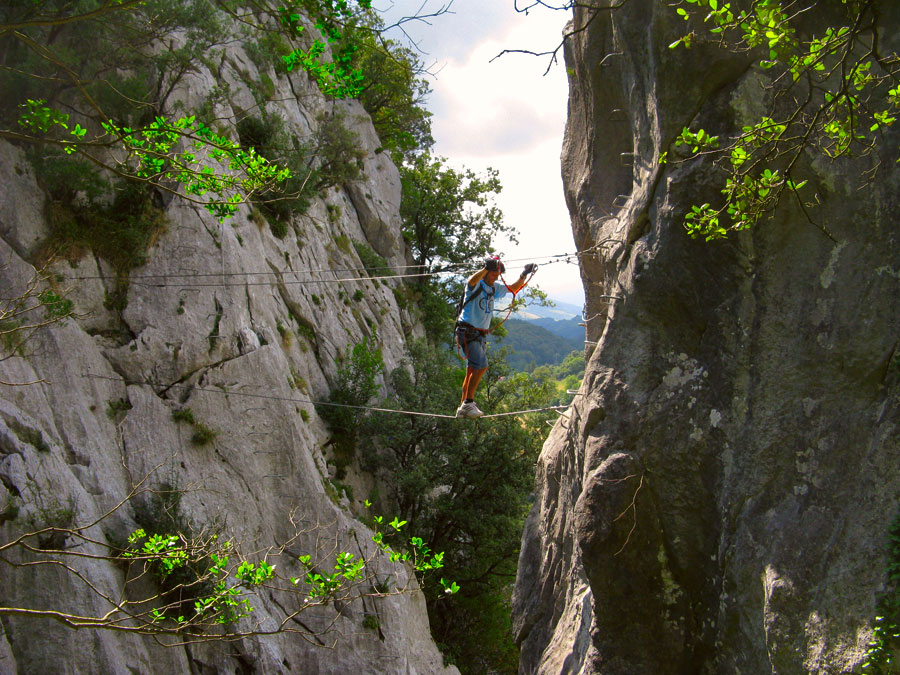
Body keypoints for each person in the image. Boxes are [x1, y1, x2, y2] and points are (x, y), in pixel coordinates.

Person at [455, 256, 537, 419]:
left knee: (472, 369)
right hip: (468, 331)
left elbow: (513, 288)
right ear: (486, 272)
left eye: (497, 273)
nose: (496, 276)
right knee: (481, 366)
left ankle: (463, 405)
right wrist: (486, 267)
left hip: (478, 334)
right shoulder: (477, 284)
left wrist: (524, 274)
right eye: (493, 273)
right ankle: (468, 404)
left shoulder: (494, 287)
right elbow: (471, 281)